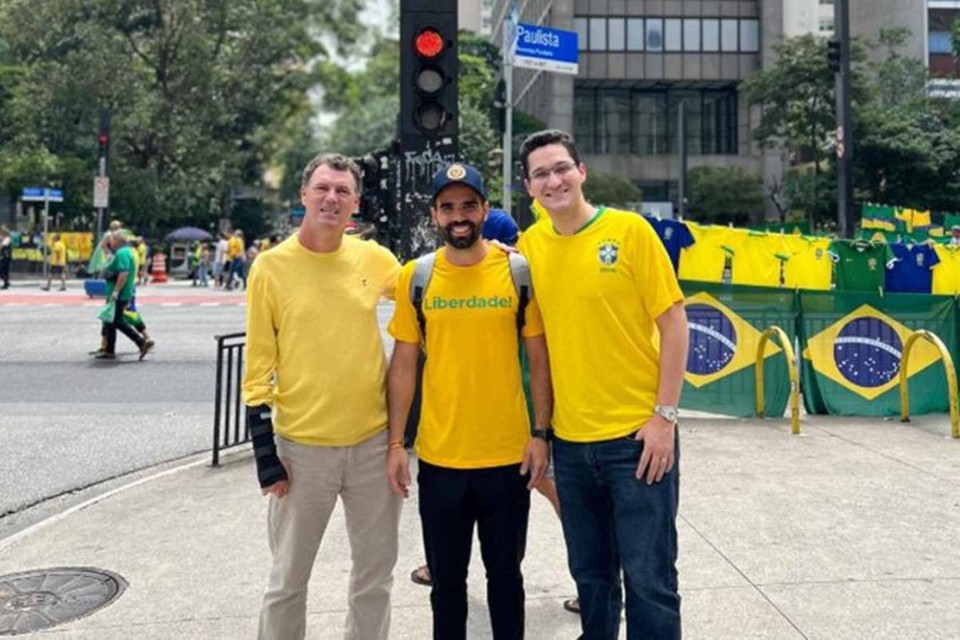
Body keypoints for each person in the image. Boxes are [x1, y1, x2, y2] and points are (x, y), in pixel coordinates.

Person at [516, 129, 689, 640]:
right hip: (571, 446)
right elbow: (539, 349)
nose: (554, 180)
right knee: (591, 580)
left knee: (649, 580)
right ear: (529, 188)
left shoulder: (631, 232)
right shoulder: (529, 249)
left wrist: (665, 418)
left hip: (637, 441)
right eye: (541, 174)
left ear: (581, 171)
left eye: (562, 168)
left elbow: (675, 324)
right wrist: (543, 433)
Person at [386, 163, 552, 640]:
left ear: (484, 210)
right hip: (440, 460)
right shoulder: (416, 277)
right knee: (447, 587)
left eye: (468, 205)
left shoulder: (517, 272)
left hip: (507, 458)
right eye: (448, 207)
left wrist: (540, 435)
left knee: (506, 580)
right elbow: (403, 365)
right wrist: (397, 444)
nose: (459, 216)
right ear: (435, 214)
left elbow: (539, 361)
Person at [242, 153, 402, 640]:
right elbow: (258, 365)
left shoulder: (374, 259)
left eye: (343, 192)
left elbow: (429, 291)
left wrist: (494, 252)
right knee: (288, 580)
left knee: (374, 578)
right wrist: (264, 453)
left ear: (355, 204)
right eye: (323, 188)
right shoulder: (270, 268)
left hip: (372, 446)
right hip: (301, 451)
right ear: (304, 195)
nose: (331, 198)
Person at [97, 231, 153, 361]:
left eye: (111, 240)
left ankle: (140, 342)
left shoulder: (122, 253)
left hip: (120, 292)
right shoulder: (127, 251)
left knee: (117, 321)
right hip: (122, 291)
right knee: (111, 321)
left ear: (117, 241)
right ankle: (109, 350)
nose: (110, 242)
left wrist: (116, 291)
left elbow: (123, 273)